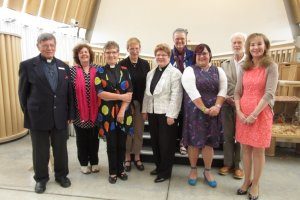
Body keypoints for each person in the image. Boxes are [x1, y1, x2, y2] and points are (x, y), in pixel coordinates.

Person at [18, 33, 74, 193]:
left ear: (55, 46)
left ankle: (61, 175)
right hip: (38, 117)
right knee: (40, 151)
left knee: (61, 149)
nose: (49, 48)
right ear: (38, 46)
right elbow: (22, 94)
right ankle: (41, 179)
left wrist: (70, 114)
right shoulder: (27, 66)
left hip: (60, 117)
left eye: (51, 45)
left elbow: (68, 92)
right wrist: (29, 113)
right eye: (45, 46)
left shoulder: (64, 66)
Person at [234, 33, 278, 200]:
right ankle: (246, 181)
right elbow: (237, 92)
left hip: (261, 113)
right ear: (248, 48)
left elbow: (269, 94)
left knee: (258, 151)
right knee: (245, 149)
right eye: (252, 45)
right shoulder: (244, 67)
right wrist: (238, 111)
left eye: (259, 44)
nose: (255, 47)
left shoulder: (271, 66)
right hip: (243, 113)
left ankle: (256, 183)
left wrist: (254, 114)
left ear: (265, 46)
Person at [181, 43, 227, 187]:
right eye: (199, 53)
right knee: (194, 144)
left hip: (214, 112)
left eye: (205, 53)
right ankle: (193, 170)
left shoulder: (219, 70)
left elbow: (223, 89)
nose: (202, 56)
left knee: (209, 144)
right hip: (195, 112)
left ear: (210, 55)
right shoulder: (189, 70)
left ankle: (207, 171)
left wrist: (217, 106)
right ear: (195, 56)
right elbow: (191, 90)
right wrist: (204, 109)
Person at [142, 43, 182, 183]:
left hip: (167, 114)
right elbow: (147, 94)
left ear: (169, 56)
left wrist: (172, 114)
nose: (160, 57)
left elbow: (176, 95)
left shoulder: (175, 73)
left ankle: (165, 172)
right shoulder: (151, 73)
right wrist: (144, 110)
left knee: (166, 144)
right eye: (158, 55)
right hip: (153, 112)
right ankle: (159, 167)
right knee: (155, 142)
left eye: (163, 55)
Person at [95, 41, 133, 184]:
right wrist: (120, 96)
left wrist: (122, 111)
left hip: (124, 112)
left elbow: (129, 93)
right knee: (111, 144)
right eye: (108, 52)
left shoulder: (125, 70)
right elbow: (100, 93)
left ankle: (121, 169)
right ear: (104, 54)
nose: (111, 55)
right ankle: (112, 171)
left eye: (114, 52)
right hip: (107, 114)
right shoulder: (99, 71)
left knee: (122, 144)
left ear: (118, 54)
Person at [118, 38, 150, 172]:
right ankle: (127, 158)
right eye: (132, 48)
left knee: (138, 131)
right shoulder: (122, 64)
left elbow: (147, 87)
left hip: (140, 103)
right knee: (127, 131)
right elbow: (120, 85)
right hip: (126, 103)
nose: (134, 51)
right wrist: (125, 104)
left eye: (137, 48)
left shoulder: (145, 64)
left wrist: (145, 107)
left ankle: (137, 157)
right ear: (128, 49)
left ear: (140, 49)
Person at [219, 33, 247, 179]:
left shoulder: (251, 62)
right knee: (228, 135)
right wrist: (226, 98)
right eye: (234, 43)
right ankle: (228, 163)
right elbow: (223, 84)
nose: (236, 45)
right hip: (227, 104)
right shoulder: (225, 64)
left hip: (244, 106)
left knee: (241, 137)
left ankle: (239, 166)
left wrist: (240, 100)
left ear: (244, 43)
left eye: (239, 42)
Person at [70, 44, 100, 174]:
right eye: (81, 52)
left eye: (86, 52)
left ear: (90, 54)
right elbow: (69, 92)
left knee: (94, 140)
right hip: (79, 113)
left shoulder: (98, 69)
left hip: (95, 112)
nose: (84, 54)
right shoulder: (72, 71)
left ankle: (94, 162)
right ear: (77, 55)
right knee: (81, 141)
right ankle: (83, 163)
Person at [170, 28, 194, 155]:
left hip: (188, 93)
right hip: (172, 92)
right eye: (177, 38)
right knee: (173, 117)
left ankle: (183, 142)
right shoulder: (167, 55)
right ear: (173, 39)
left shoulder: (193, 55)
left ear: (186, 40)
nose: (179, 41)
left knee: (186, 118)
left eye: (182, 38)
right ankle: (172, 142)